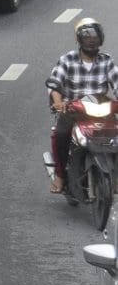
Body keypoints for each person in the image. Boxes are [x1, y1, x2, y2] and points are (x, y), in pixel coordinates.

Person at [47, 18, 118, 197]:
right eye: (87, 38)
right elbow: (55, 84)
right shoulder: (67, 60)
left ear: (100, 39)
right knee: (61, 134)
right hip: (73, 111)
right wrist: (58, 102)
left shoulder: (107, 62)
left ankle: (115, 178)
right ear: (79, 40)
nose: (91, 41)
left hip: (101, 111)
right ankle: (61, 175)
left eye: (94, 37)